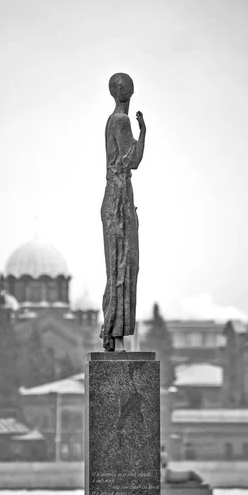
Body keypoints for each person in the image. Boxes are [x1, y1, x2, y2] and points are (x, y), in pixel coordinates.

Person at [100, 73, 146, 352]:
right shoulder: (121, 121)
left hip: (116, 196)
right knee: (124, 266)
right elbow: (133, 160)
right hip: (119, 199)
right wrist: (144, 133)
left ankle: (114, 335)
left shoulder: (111, 120)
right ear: (128, 93)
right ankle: (115, 335)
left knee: (121, 265)